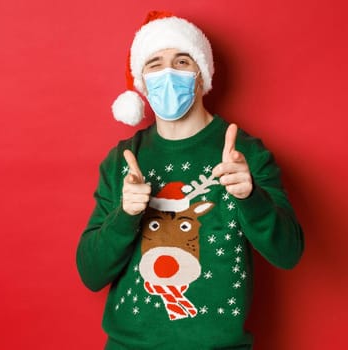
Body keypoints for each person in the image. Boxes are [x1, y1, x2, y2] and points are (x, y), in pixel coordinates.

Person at [75, 11, 304, 349]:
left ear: (201, 75)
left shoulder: (245, 154)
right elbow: (91, 273)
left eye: (181, 61)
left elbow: (289, 253)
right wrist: (125, 215)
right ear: (141, 81)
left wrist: (250, 197)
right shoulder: (123, 160)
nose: (168, 73)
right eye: (155, 64)